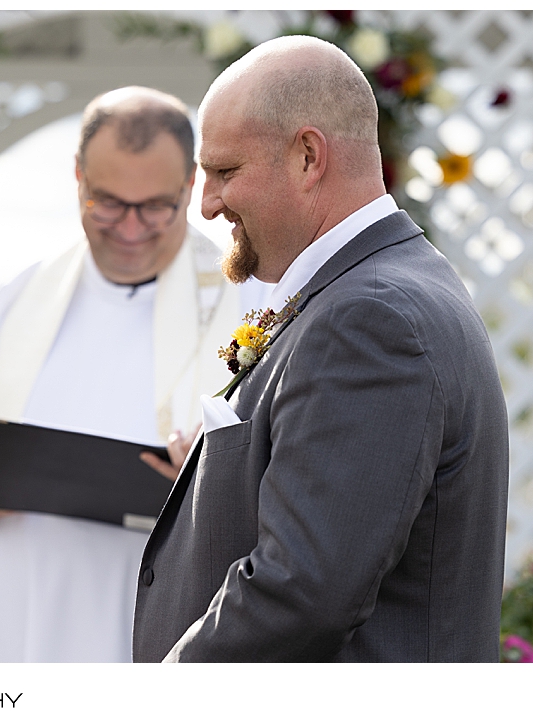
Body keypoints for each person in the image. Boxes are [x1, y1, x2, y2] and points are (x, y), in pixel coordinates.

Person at [132, 36, 510, 662]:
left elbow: (302, 592)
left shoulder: (370, 320)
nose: (208, 203)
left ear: (308, 156)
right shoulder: (384, 286)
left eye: (226, 172)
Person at [0, 87, 271, 662]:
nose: (131, 227)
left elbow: (296, 480)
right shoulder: (16, 303)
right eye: (108, 202)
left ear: (191, 186)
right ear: (78, 178)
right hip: (30, 629)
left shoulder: (250, 306)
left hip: (182, 640)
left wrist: (208, 479)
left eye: (156, 206)